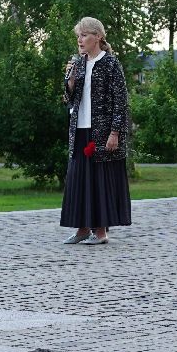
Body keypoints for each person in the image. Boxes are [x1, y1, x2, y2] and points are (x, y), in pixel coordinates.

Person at [60, 16, 131, 246]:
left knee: (99, 181)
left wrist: (115, 133)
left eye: (84, 35)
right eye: (78, 36)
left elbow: (121, 101)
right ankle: (82, 229)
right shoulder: (78, 63)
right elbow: (69, 100)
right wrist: (69, 82)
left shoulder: (110, 63)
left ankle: (101, 233)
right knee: (79, 180)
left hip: (101, 132)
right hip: (79, 129)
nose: (80, 40)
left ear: (97, 37)